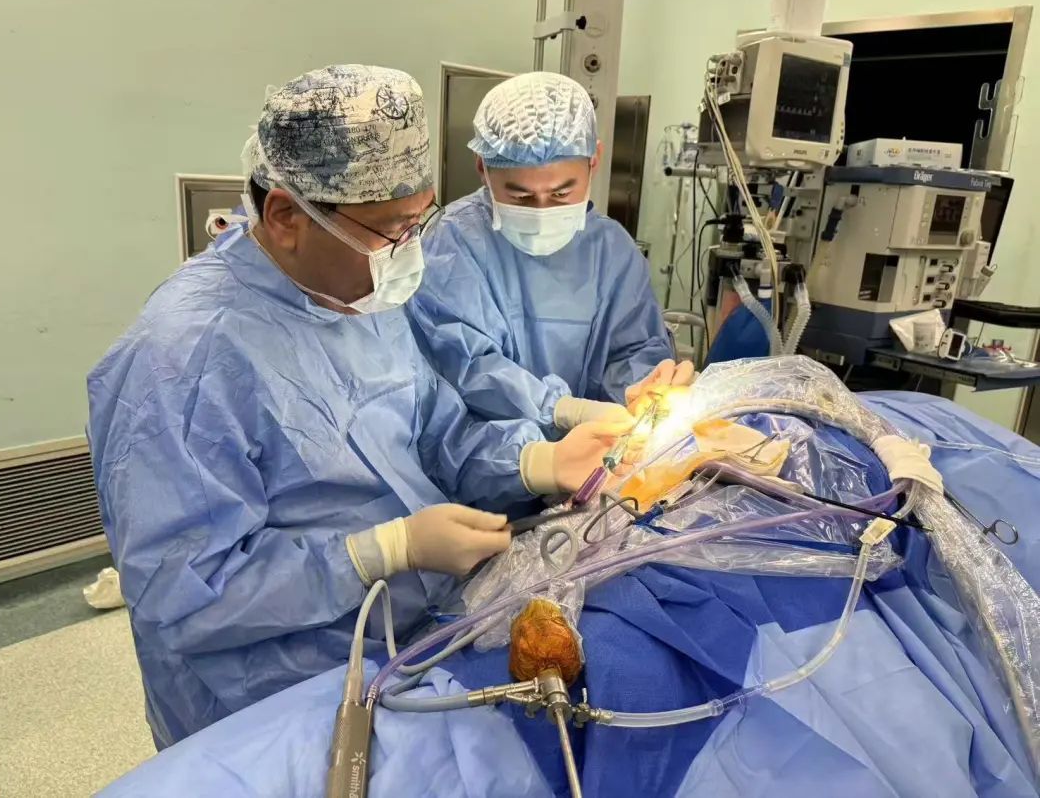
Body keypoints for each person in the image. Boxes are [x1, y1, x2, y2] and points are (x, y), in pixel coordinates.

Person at [87, 65, 629, 749]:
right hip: (271, 706)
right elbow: (184, 592)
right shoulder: (182, 360)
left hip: (409, 643)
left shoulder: (357, 295)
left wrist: (535, 461)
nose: (409, 253)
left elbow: (434, 431)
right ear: (287, 216)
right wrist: (378, 552)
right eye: (392, 230)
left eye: (419, 221)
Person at [407, 71, 692, 435]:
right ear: (482, 168)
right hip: (488, 459)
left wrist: (642, 389)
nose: (542, 211)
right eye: (521, 196)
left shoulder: (612, 251)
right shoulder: (452, 244)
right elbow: (464, 363)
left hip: (599, 452)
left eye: (561, 194)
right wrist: (561, 409)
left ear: (594, 161)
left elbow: (633, 349)